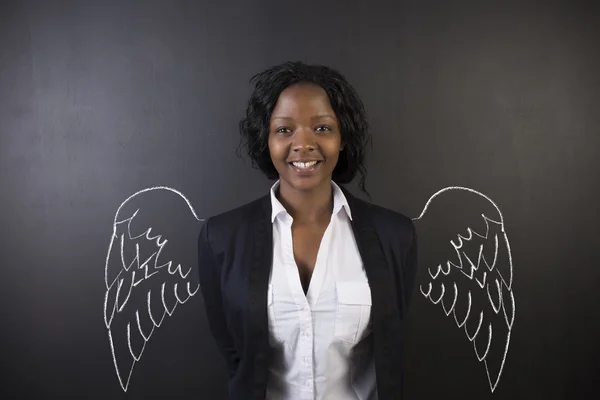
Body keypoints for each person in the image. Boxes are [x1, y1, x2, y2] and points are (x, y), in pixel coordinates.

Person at [197, 61, 418, 400]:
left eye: (322, 128)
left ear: (342, 138)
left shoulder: (394, 236)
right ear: (266, 139)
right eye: (284, 130)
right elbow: (232, 350)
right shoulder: (221, 238)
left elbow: (390, 349)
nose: (303, 144)